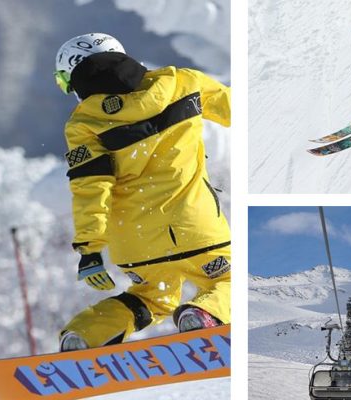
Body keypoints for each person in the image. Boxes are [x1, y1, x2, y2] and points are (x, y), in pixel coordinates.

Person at [53, 33, 231, 351]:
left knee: (149, 298)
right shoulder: (181, 82)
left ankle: (85, 336)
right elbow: (238, 110)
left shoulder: (83, 122)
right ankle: (203, 316)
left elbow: (88, 186)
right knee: (229, 282)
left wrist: (90, 250)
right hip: (196, 230)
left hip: (136, 245)